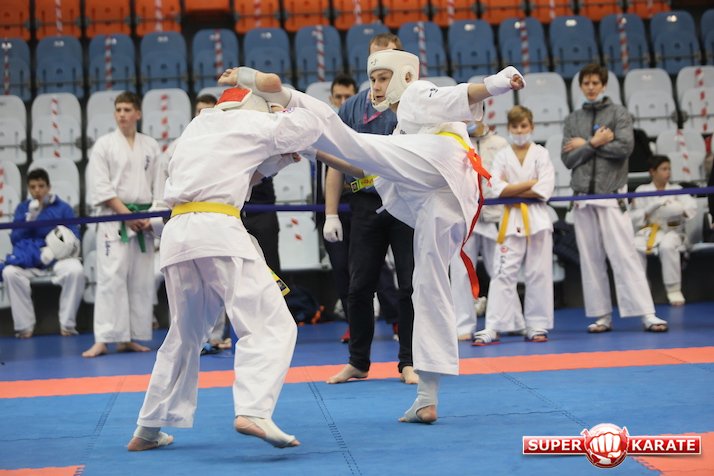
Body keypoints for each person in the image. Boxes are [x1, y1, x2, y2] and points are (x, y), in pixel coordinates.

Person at [225, 50, 524, 424]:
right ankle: (427, 397)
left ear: (405, 75)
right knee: (428, 287)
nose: (377, 87)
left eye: (384, 78)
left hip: (441, 161)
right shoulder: (400, 133)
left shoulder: (417, 93)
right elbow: (362, 162)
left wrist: (498, 83)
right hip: (443, 197)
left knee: (351, 139)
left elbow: (457, 95)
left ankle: (285, 97)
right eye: (373, 79)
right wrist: (314, 151)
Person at [127, 86, 322, 451]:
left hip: (178, 234)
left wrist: (279, 160)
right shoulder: (250, 120)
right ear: (251, 106)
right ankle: (254, 409)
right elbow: (309, 126)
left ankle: (147, 428)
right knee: (270, 323)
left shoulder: (195, 129)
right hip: (217, 229)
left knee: (184, 334)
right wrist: (283, 102)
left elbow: (236, 172)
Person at [322, 33, 417, 384]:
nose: (379, 73)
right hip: (364, 201)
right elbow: (336, 161)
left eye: (387, 65)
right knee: (358, 285)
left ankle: (409, 361)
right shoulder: (352, 107)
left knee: (409, 284)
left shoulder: (414, 103)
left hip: (405, 201)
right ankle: (358, 362)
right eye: (374, 65)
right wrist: (331, 213)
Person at [561, 63, 667, 333]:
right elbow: (568, 158)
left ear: (604, 85)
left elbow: (624, 148)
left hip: (611, 194)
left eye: (595, 83)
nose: (591, 87)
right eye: (586, 83)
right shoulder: (573, 119)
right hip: (583, 196)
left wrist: (586, 145)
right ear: (581, 86)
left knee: (624, 255)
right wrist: (594, 142)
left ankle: (647, 313)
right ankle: (602, 316)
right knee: (590, 259)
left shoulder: (619, 113)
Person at [83, 91, 164, 358]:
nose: (122, 115)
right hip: (113, 220)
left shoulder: (150, 145)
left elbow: (159, 186)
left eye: (127, 110)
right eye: (118, 110)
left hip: (143, 221)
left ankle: (129, 337)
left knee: (140, 280)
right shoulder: (104, 145)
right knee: (111, 278)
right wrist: (127, 215)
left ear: (138, 113)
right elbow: (101, 187)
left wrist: (150, 216)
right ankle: (104, 338)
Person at [472, 106, 555, 345]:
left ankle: (537, 325)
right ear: (509, 128)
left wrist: (513, 189)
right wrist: (529, 184)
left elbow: (544, 189)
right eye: (515, 127)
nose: (519, 131)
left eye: (523, 126)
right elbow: (496, 188)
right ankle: (493, 326)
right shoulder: (502, 156)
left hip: (538, 220)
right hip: (511, 220)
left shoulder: (541, 154)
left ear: (531, 127)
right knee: (502, 272)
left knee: (538, 273)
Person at [1, 168, 84, 338]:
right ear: (29, 189)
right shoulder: (22, 209)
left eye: (41, 186)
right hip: (31, 260)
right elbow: (15, 239)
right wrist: (30, 218)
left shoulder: (63, 208)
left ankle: (67, 325)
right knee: (9, 272)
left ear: (48, 187)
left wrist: (55, 250)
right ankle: (25, 327)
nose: (37, 190)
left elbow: (74, 236)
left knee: (76, 271)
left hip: (58, 259)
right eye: (33, 187)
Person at [451, 120, 508, 340]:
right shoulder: (455, 143)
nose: (467, 122)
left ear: (480, 115)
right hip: (465, 215)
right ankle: (463, 324)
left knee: (501, 270)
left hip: (495, 215)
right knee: (461, 271)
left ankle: (502, 321)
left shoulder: (500, 143)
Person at [631, 155, 697, 306]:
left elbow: (691, 207)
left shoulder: (676, 189)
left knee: (667, 246)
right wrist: (651, 208)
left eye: (669, 169)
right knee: (634, 246)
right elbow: (634, 217)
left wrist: (678, 209)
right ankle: (642, 290)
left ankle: (673, 290)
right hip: (650, 232)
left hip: (673, 232)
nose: (668, 172)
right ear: (652, 172)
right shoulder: (642, 190)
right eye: (664, 169)